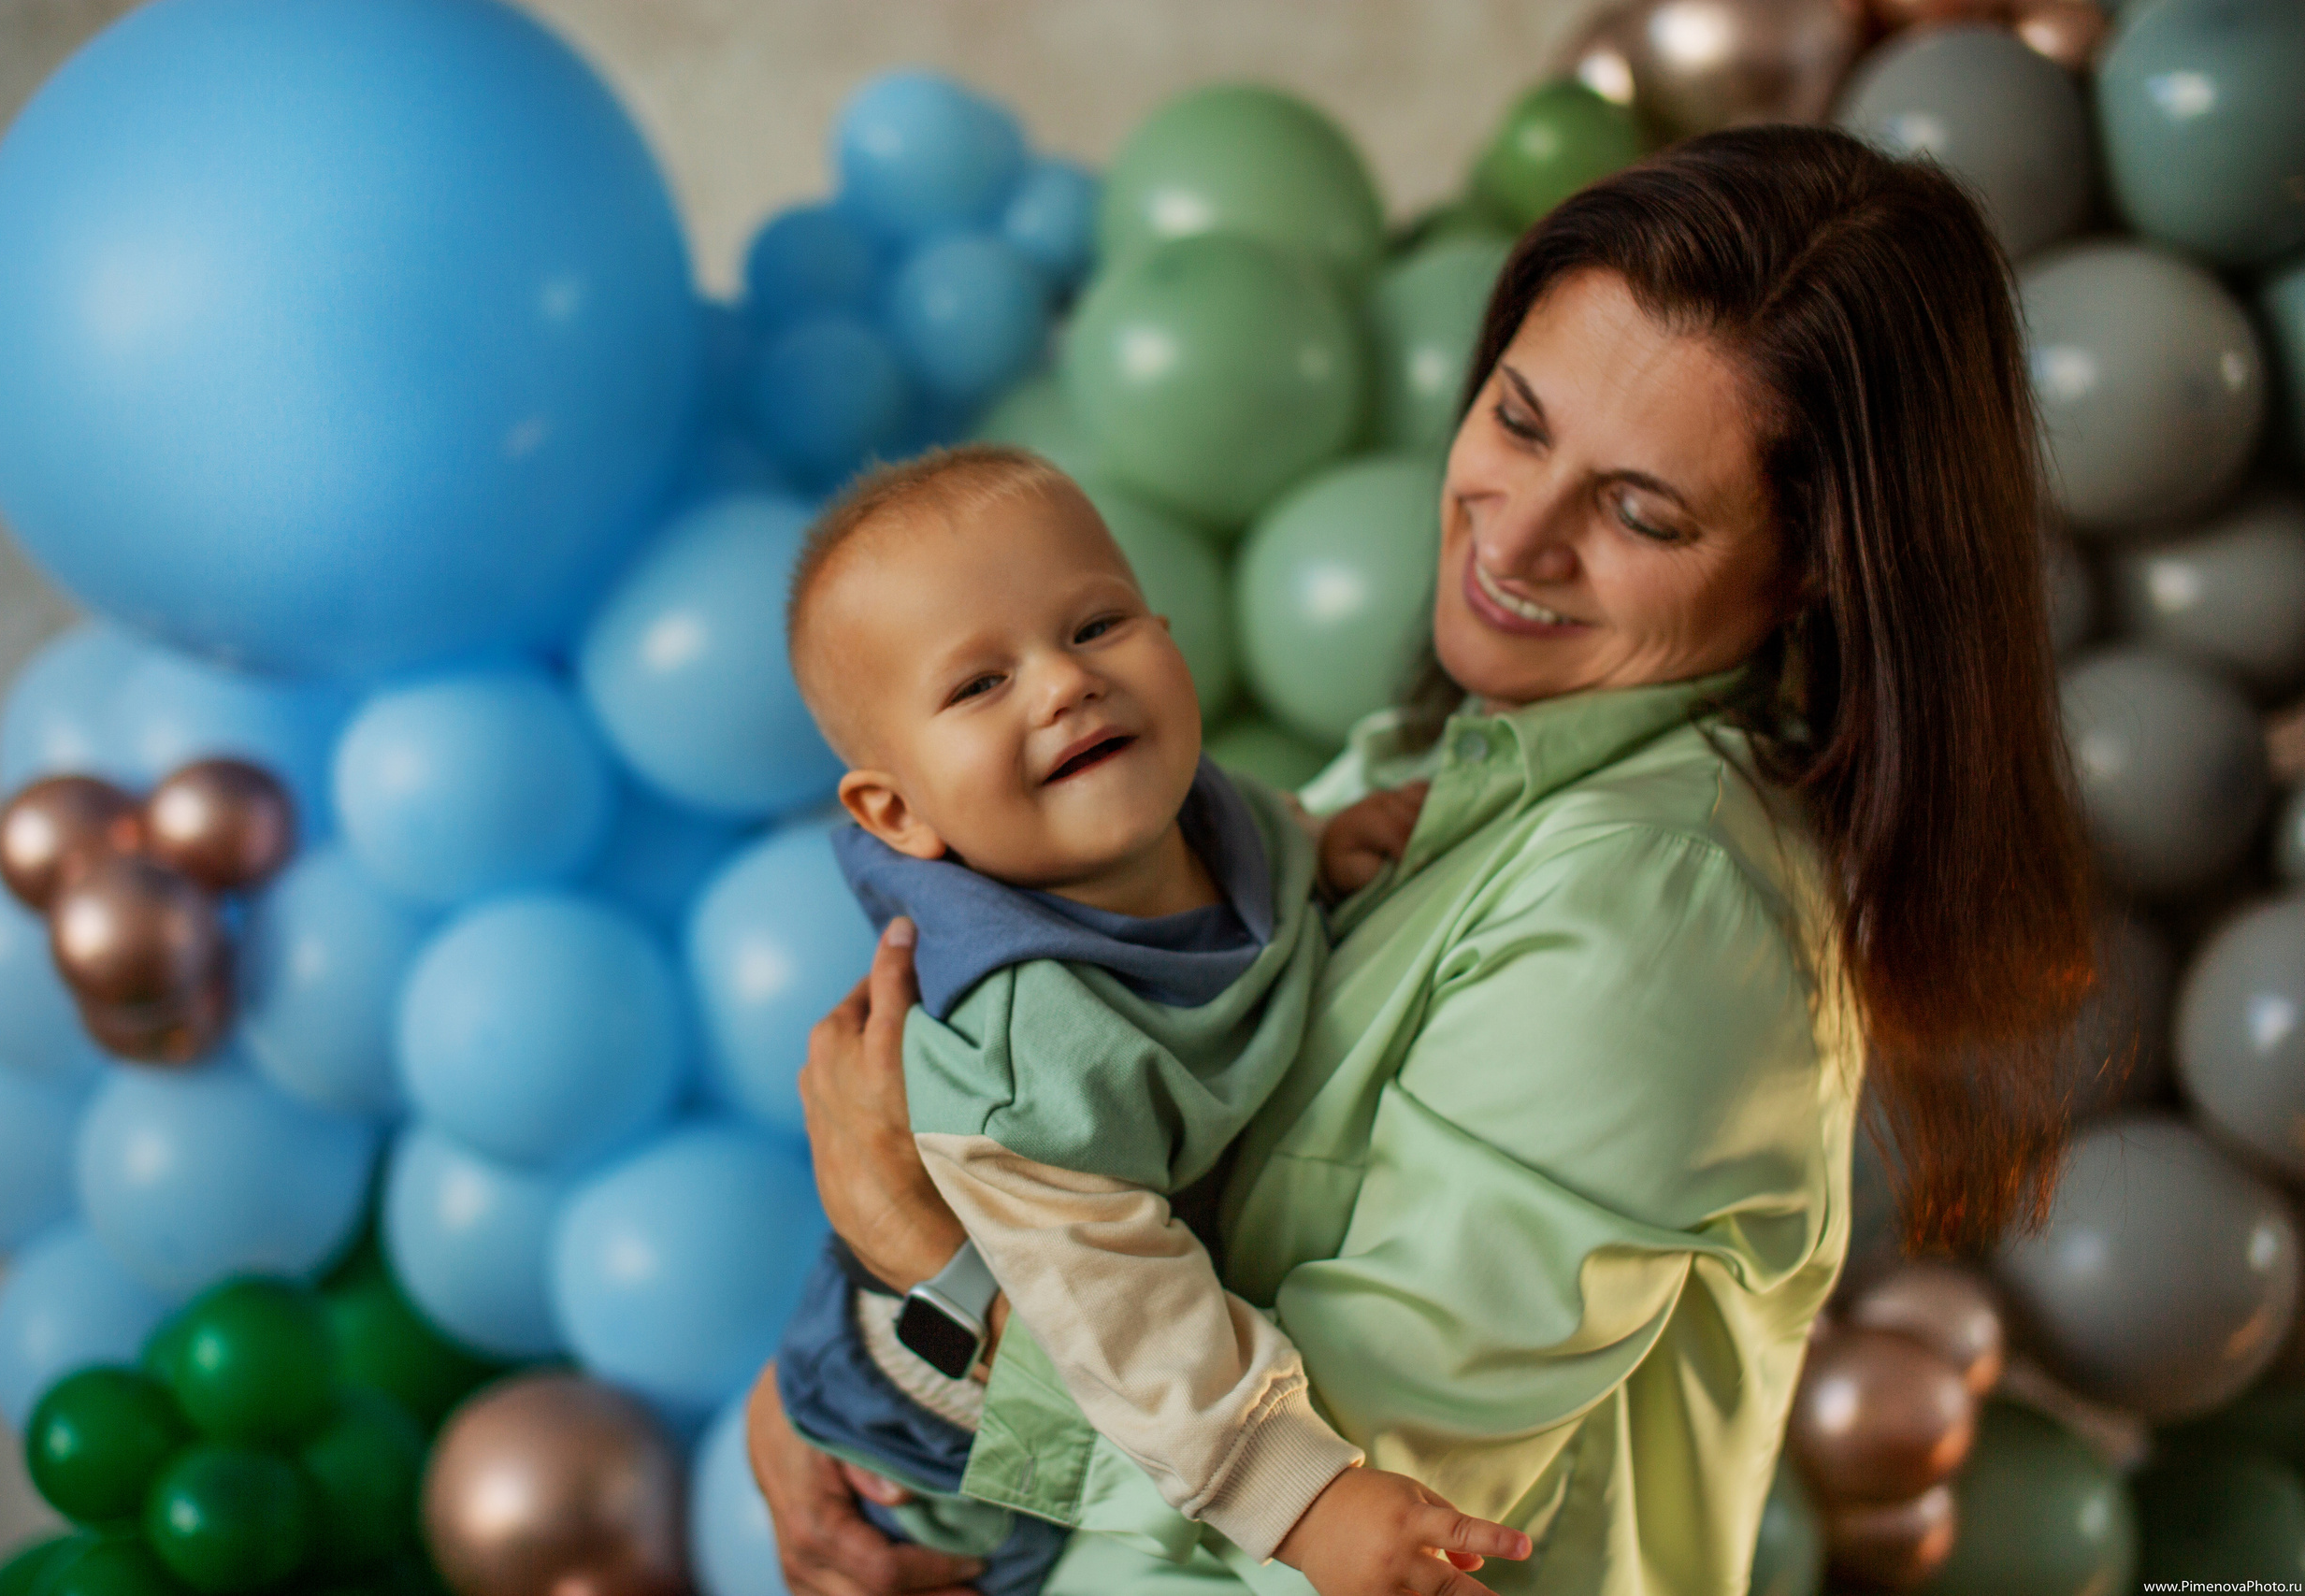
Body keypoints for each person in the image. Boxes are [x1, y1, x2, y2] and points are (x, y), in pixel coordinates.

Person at [750, 123, 2096, 1596]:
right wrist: (825, 1392)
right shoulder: (1419, 761)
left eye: (1641, 509)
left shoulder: (1658, 908)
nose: (1516, 538)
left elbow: (1343, 1529)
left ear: (1815, 564)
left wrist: (929, 1271)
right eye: (1518, 422)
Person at [775, 446, 1524, 1596]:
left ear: (1166, 632)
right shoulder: (1036, 1054)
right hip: (941, 1408)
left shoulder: (1200, 809)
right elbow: (1128, 1330)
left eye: (1094, 626)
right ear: (898, 811)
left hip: (1056, 1291)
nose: (1063, 685)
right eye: (979, 685)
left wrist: (1322, 846)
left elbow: (1259, 829)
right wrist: (1307, 1500)